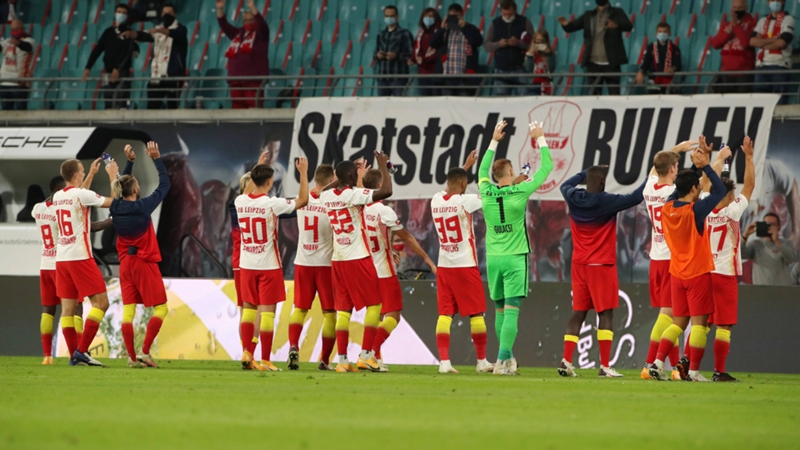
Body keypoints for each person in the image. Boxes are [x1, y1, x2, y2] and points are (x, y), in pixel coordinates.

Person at [558, 165, 647, 378]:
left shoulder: (573, 196)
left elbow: (564, 185)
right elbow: (636, 197)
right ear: (601, 183)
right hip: (601, 266)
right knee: (605, 313)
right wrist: (651, 178)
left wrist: (586, 172)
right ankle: (605, 366)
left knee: (579, 312)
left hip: (579, 265)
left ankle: (566, 361)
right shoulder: (607, 201)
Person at [479, 121, 553, 375]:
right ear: (510, 171)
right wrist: (540, 138)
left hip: (493, 259)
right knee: (512, 311)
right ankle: (501, 362)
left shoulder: (485, 190)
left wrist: (494, 141)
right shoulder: (520, 191)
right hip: (514, 258)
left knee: (499, 310)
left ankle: (507, 359)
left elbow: (482, 170)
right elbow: (548, 168)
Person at [648, 147, 727, 382]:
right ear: (693, 189)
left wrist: (694, 168)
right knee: (700, 325)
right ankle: (692, 371)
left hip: (677, 274)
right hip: (697, 273)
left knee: (678, 323)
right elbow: (720, 190)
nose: (701, 188)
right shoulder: (697, 211)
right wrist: (703, 165)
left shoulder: (667, 207)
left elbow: (678, 190)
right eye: (698, 186)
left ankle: (657, 362)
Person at [319, 151, 393, 373]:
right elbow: (386, 191)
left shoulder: (328, 197)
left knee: (343, 310)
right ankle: (366, 355)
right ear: (351, 177)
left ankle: (342, 360)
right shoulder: (354, 195)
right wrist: (383, 166)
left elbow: (324, 189)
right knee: (375, 304)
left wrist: (345, 175)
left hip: (338, 260)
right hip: (357, 257)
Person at [235, 159, 309, 371]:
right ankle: (266, 360)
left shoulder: (240, 201)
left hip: (247, 265)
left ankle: (247, 352)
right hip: (268, 266)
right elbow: (303, 200)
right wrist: (303, 173)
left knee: (248, 311)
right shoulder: (272, 204)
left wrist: (257, 167)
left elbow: (250, 189)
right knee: (267, 314)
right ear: (270, 182)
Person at [361, 167, 437, 372]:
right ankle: (369, 353)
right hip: (384, 271)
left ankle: (373, 356)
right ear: (379, 186)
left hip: (366, 270)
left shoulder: (359, 209)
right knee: (393, 316)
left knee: (375, 315)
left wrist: (388, 247)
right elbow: (407, 237)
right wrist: (426, 257)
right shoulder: (384, 210)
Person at [431, 152, 495, 374]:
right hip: (464, 265)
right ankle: (481, 362)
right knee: (476, 314)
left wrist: (465, 167)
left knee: (445, 314)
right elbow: (487, 196)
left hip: (444, 266)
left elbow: (452, 184)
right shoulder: (465, 201)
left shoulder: (435, 200)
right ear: (464, 184)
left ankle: (444, 362)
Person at [109, 143, 171, 368]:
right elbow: (165, 184)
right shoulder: (143, 207)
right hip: (144, 262)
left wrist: (130, 163)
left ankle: (132, 358)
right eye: (136, 184)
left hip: (125, 264)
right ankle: (144, 351)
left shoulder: (114, 207)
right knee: (161, 307)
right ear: (135, 191)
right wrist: (157, 159)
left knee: (128, 311)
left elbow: (120, 185)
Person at [640, 141, 697, 381]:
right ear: (673, 169)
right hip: (670, 259)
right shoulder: (669, 194)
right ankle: (650, 364)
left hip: (656, 258)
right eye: (676, 165)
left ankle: (669, 366)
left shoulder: (649, 188)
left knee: (672, 316)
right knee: (668, 315)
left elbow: (656, 168)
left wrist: (677, 149)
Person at [53, 157, 115, 366]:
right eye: (82, 170)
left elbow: (79, 196)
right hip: (80, 256)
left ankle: (74, 356)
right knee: (101, 303)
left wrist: (91, 174)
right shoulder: (82, 194)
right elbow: (113, 202)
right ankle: (82, 350)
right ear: (76, 175)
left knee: (68, 310)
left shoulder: (58, 196)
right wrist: (112, 175)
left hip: (61, 259)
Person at [704, 137, 755, 382]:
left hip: (704, 273)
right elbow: (750, 187)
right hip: (724, 275)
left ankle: (688, 366)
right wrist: (748, 157)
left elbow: (705, 184)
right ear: (729, 194)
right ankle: (719, 371)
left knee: (701, 323)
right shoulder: (732, 211)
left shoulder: (703, 210)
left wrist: (718, 159)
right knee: (724, 325)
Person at [286, 164, 336, 371]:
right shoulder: (332, 202)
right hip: (325, 265)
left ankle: (293, 346)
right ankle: (324, 360)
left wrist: (303, 173)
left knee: (299, 309)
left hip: (303, 263)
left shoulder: (302, 198)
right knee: (331, 314)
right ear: (332, 180)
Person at [558, 0, 632, 95]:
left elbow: (628, 26)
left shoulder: (617, 12)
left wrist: (616, 25)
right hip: (593, 63)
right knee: (594, 96)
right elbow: (572, 27)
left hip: (612, 63)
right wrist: (565, 24)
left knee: (615, 95)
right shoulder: (588, 15)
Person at [121, 3, 187, 109]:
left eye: (169, 13)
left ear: (175, 15)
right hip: (156, 75)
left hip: (173, 76)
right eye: (164, 13)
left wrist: (158, 30)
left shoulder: (181, 29)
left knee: (173, 107)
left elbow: (173, 33)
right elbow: (145, 35)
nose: (166, 15)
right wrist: (132, 34)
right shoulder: (158, 29)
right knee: (152, 107)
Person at [83, 3, 140, 109]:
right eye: (119, 12)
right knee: (108, 104)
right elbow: (97, 50)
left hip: (123, 72)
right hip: (107, 72)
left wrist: (117, 69)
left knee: (123, 105)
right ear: (114, 13)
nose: (121, 15)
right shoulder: (108, 32)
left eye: (124, 13)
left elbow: (127, 53)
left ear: (127, 16)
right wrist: (88, 67)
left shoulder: (129, 33)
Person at [217, 0, 270, 109]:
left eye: (251, 20)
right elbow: (224, 25)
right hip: (235, 80)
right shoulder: (238, 33)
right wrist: (219, 9)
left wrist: (253, 7)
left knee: (253, 109)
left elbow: (263, 24)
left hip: (253, 80)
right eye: (246, 20)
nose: (248, 22)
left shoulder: (261, 35)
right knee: (237, 110)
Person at [429, 3, 483, 96]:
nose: (454, 19)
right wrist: (442, 28)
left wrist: (464, 26)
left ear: (461, 15)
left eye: (456, 16)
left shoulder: (470, 28)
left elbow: (477, 42)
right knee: (447, 105)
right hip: (447, 75)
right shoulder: (444, 31)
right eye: (451, 16)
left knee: (464, 105)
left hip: (464, 76)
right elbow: (432, 43)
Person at [483, 0, 535, 96]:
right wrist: (499, 44)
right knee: (501, 100)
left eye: (510, 14)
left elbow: (533, 44)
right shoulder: (494, 24)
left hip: (520, 68)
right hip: (501, 69)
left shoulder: (525, 22)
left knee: (524, 100)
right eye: (504, 14)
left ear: (515, 11)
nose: (507, 16)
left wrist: (518, 43)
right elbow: (486, 45)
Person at [749, 0, 795, 104]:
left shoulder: (788, 20)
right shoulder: (762, 21)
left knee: (779, 100)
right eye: (772, 0)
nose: (775, 2)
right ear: (767, 3)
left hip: (780, 65)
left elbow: (782, 43)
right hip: (761, 64)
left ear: (783, 2)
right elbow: (752, 41)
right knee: (760, 101)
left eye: (778, 0)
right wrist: (773, 39)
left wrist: (761, 42)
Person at [711, 0, 757, 94]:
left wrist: (736, 26)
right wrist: (728, 32)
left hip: (744, 72)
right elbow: (715, 44)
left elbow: (746, 43)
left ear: (745, 8)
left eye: (740, 8)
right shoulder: (726, 25)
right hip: (726, 72)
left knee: (743, 102)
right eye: (735, 8)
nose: (737, 10)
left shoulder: (753, 24)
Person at [742, 212, 797, 285]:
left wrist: (777, 242)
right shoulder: (756, 244)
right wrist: (745, 236)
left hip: (782, 290)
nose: (769, 227)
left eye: (772, 225)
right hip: (760, 289)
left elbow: (790, 259)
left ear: (779, 227)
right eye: (766, 224)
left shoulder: (786, 243)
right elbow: (741, 255)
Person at [374, 5, 414, 97]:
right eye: (387, 16)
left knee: (398, 105)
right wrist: (378, 55)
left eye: (391, 16)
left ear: (397, 17)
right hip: (382, 77)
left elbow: (410, 54)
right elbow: (375, 54)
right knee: (382, 106)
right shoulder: (380, 34)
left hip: (398, 76)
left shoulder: (405, 33)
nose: (389, 18)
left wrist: (396, 56)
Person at [635, 22, 682, 94]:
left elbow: (678, 64)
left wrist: (673, 68)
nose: (662, 34)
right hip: (653, 81)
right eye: (660, 32)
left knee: (669, 99)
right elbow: (646, 63)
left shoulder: (675, 49)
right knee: (653, 97)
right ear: (656, 34)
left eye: (665, 32)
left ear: (669, 34)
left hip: (669, 81)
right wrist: (640, 71)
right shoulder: (651, 47)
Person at [0, 19, 34, 111]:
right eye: (13, 29)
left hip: (20, 82)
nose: (16, 30)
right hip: (5, 81)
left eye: (18, 28)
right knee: (6, 110)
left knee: (21, 109)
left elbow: (28, 47)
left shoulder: (30, 40)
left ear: (23, 28)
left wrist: (19, 43)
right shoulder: (7, 41)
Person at [412, 7, 441, 96]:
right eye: (426, 16)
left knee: (436, 99)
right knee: (425, 98)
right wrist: (412, 59)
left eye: (431, 17)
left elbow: (438, 51)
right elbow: (416, 48)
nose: (428, 19)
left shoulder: (439, 32)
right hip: (423, 72)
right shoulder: (421, 32)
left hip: (435, 71)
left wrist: (424, 59)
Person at [524, 29, 554, 95]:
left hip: (546, 85)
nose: (540, 43)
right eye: (538, 41)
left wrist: (549, 54)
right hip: (533, 85)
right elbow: (529, 69)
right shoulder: (530, 54)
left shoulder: (550, 54)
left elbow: (551, 69)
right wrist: (530, 55)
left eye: (542, 41)